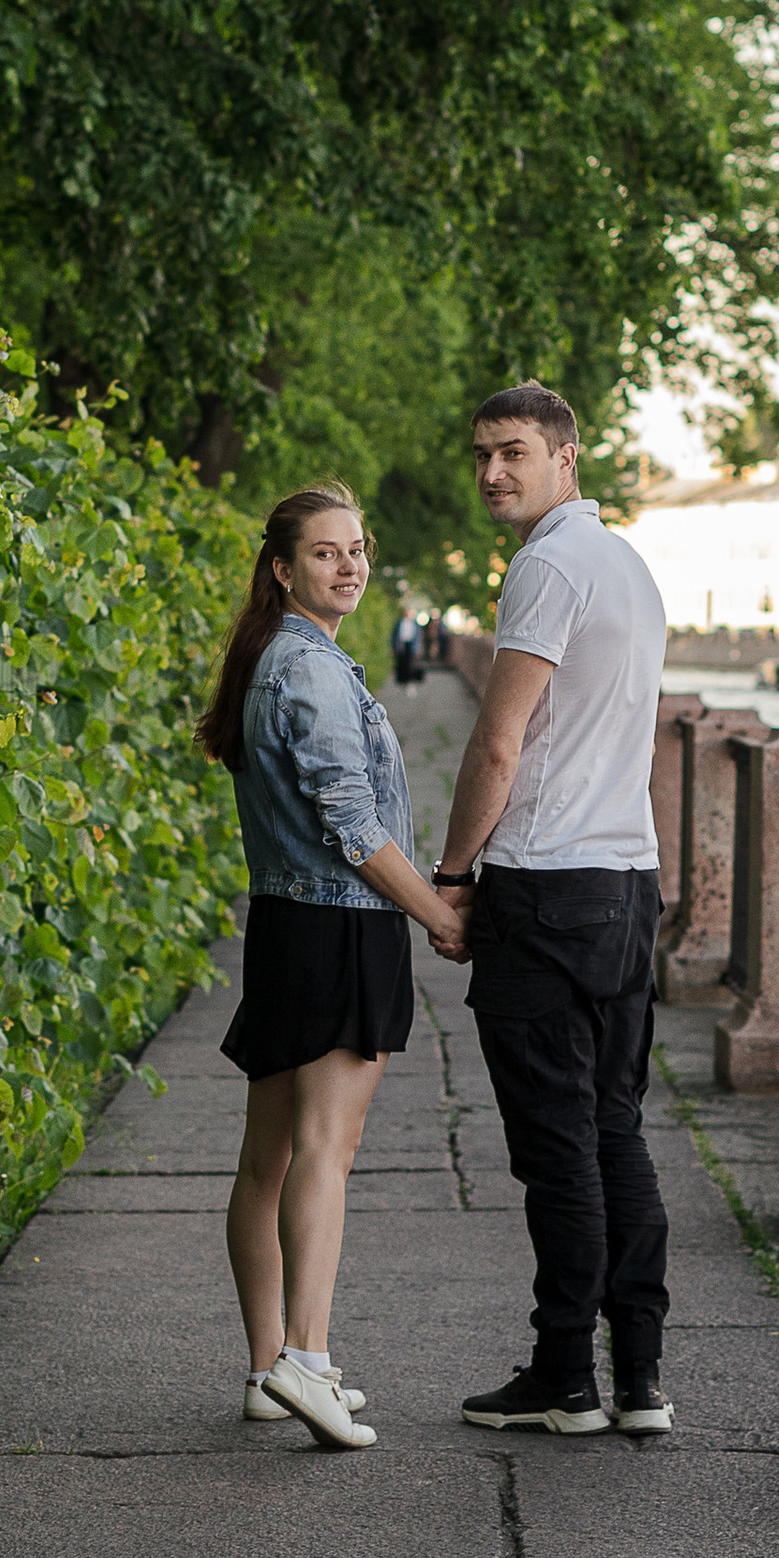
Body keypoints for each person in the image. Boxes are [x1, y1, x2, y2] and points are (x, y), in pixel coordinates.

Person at [195, 486, 468, 1449]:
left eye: (356, 549)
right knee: (324, 1151)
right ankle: (305, 1362)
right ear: (283, 569)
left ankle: (268, 1370)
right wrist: (439, 913)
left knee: (267, 1160)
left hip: (286, 923)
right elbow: (353, 825)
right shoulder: (309, 669)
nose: (349, 566)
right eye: (325, 553)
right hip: (339, 928)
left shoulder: (275, 655)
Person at [426, 384, 675, 1436]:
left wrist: (452, 875)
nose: (493, 472)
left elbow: (500, 742)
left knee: (557, 1147)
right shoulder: (627, 564)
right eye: (482, 454)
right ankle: (641, 1380)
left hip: (546, 884)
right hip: (627, 883)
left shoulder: (547, 566)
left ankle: (567, 1375)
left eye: (514, 452)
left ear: (565, 456)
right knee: (615, 1128)